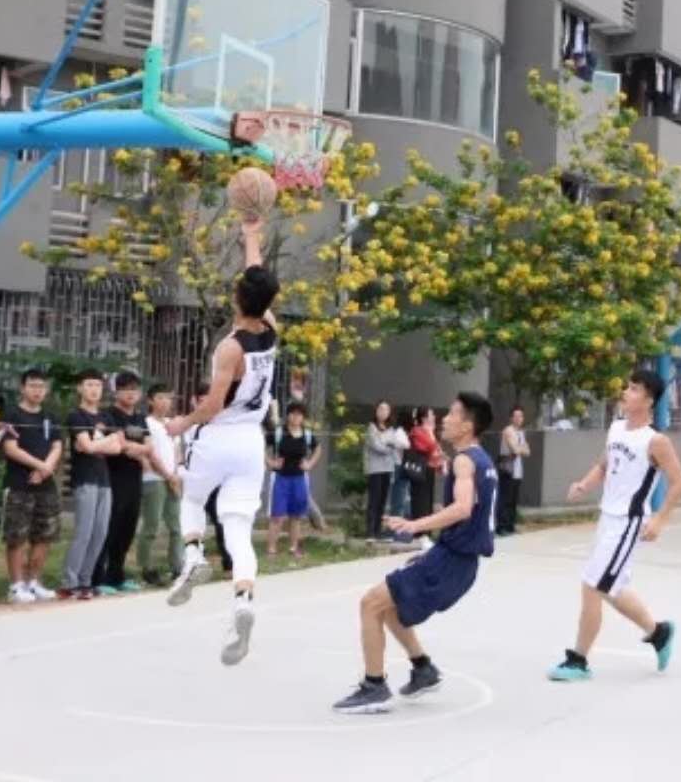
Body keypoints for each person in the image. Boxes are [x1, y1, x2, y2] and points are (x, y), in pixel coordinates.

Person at [332, 391, 497, 714]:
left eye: (453, 414)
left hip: (450, 560)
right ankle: (423, 668)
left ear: (467, 425)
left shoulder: (464, 460)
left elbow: (463, 508)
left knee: (370, 604)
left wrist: (414, 524)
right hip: (458, 561)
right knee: (389, 607)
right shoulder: (482, 460)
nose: (445, 418)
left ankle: (374, 687)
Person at [166, 219, 280, 668]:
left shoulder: (229, 348)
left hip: (219, 435)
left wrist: (182, 423)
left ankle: (193, 555)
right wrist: (252, 236)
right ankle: (243, 600)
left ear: (236, 298)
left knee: (190, 497)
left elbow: (212, 405)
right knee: (237, 526)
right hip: (252, 441)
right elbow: (258, 280)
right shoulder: (271, 328)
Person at [546, 370, 681, 682]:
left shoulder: (655, 441)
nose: (625, 392)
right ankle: (658, 632)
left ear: (649, 400)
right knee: (612, 588)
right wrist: (584, 485)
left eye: (634, 389)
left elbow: (678, 481)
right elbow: (604, 465)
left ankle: (578, 660)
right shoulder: (616, 428)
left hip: (628, 523)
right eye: (627, 387)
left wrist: (660, 519)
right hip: (607, 518)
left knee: (593, 584)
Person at [0, 368, 64, 604]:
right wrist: (40, 465)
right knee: (16, 536)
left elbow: (57, 446)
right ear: (23, 388)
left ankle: (34, 582)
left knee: (44, 535)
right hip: (19, 484)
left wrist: (46, 468)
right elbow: (10, 448)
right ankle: (16, 586)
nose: (38, 390)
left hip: (46, 485)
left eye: (42, 386)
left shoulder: (50, 416)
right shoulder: (11, 414)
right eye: (33, 385)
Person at [61, 371, 120, 599]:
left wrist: (96, 444)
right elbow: (87, 447)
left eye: (97, 385)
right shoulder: (76, 416)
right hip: (85, 479)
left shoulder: (106, 417)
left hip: (104, 480)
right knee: (84, 531)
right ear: (80, 388)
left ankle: (85, 580)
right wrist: (105, 441)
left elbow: (117, 448)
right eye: (89, 384)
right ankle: (70, 582)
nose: (94, 389)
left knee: (100, 532)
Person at [97, 371, 150, 593]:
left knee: (127, 528)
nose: (130, 393)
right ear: (116, 392)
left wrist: (133, 449)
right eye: (126, 389)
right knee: (110, 526)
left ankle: (117, 576)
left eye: (134, 389)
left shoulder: (140, 418)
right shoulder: (108, 415)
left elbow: (148, 446)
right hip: (113, 477)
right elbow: (117, 444)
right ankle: (100, 578)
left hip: (134, 479)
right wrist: (135, 449)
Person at [137, 383, 185, 586]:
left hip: (172, 479)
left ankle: (177, 566)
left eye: (168, 398)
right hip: (154, 479)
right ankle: (146, 567)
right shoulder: (146, 423)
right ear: (150, 400)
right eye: (160, 398)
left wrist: (176, 475)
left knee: (177, 526)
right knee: (152, 525)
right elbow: (150, 454)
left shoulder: (171, 424)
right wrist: (167, 475)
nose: (166, 402)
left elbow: (176, 452)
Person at [266, 402, 322, 558]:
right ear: (288, 415)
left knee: (296, 516)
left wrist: (310, 464)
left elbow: (318, 448)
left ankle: (293, 548)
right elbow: (260, 445)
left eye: (299, 414)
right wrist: (270, 462)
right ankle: (271, 549)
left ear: (303, 417)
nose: (296, 417)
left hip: (299, 479)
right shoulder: (279, 433)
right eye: (293, 413)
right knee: (277, 516)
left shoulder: (307, 435)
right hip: (280, 478)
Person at [363, 402, 399, 541]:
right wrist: (389, 446)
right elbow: (377, 446)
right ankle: (370, 532)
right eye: (381, 409)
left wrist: (388, 444)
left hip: (388, 468)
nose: (383, 412)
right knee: (374, 499)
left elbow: (395, 444)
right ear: (376, 411)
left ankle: (378, 531)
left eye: (386, 409)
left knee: (383, 500)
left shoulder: (391, 429)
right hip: (375, 468)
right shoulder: (371, 427)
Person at [496, 406, 530, 536]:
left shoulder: (521, 433)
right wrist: (521, 448)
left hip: (517, 470)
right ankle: (501, 527)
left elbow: (528, 452)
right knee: (505, 499)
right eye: (516, 416)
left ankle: (510, 526)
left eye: (521, 416)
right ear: (511, 418)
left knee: (513, 500)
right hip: (507, 469)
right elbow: (515, 450)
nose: (518, 418)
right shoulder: (508, 431)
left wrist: (520, 448)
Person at [406, 406, 445, 521]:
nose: (434, 417)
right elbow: (429, 447)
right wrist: (431, 433)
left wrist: (441, 461)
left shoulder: (429, 431)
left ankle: (426, 528)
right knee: (420, 501)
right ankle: (420, 529)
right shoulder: (417, 431)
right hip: (420, 470)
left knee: (428, 500)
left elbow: (437, 450)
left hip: (429, 470)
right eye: (431, 414)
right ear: (424, 418)